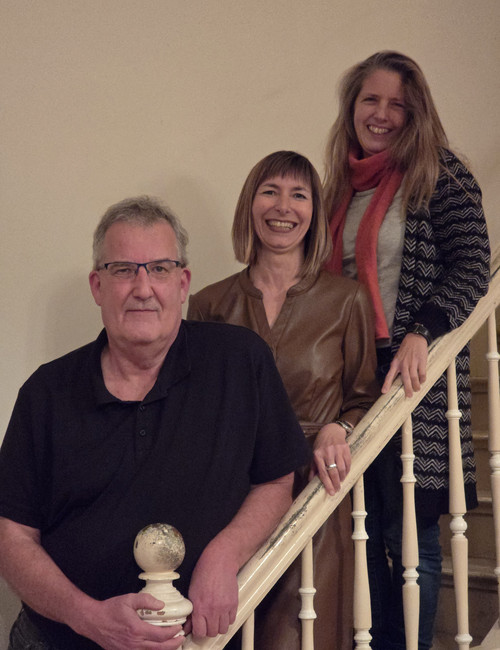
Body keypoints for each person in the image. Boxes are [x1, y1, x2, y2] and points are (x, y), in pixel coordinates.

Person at [0, 196, 311, 650]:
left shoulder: (240, 361)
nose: (143, 288)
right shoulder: (45, 393)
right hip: (56, 640)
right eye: (123, 270)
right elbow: (11, 536)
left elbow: (277, 481)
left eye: (160, 269)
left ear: (183, 284)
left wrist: (224, 555)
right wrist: (88, 617)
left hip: (198, 642)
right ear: (97, 286)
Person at [323, 50, 491, 649]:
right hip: (351, 378)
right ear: (352, 107)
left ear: (416, 112)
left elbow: (473, 265)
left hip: (414, 378)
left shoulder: (439, 172)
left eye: (397, 103)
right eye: (371, 99)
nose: (382, 114)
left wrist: (423, 329)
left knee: (410, 535)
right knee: (359, 533)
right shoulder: (337, 187)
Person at [187, 150, 379, 649]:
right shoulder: (208, 304)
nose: (283, 206)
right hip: (232, 500)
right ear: (250, 204)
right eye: (270, 191)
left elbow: (364, 398)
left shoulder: (347, 299)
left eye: (299, 195)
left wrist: (340, 427)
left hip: (314, 492)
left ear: (315, 212)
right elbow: (195, 412)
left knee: (299, 635)